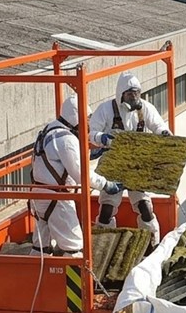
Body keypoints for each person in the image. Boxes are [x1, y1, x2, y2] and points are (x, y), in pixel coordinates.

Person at [30, 92, 123, 255]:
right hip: (58, 200)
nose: (89, 123)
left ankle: (34, 270)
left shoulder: (49, 130)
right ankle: (76, 272)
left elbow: (62, 159)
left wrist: (97, 147)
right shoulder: (66, 139)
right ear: (76, 117)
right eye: (87, 118)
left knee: (41, 247)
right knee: (74, 248)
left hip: (40, 196)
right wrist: (105, 184)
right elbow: (81, 174)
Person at [88, 72, 171, 243]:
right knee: (106, 210)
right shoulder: (106, 109)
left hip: (137, 165)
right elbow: (91, 132)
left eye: (136, 93)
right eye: (130, 94)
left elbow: (158, 125)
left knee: (145, 207)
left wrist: (164, 133)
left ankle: (152, 244)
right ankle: (103, 244)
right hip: (113, 165)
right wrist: (102, 138)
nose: (134, 98)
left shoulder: (145, 108)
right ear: (121, 94)